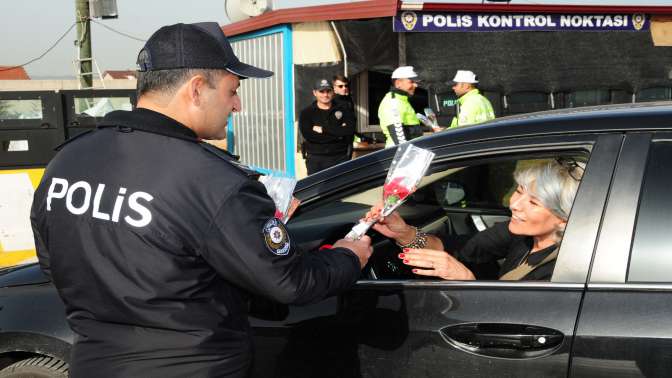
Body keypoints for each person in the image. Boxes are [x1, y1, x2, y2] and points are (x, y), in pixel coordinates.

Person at [30, 22, 372, 378]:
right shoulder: (214, 181)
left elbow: (54, 264)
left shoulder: (66, 162)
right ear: (196, 90)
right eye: (232, 91)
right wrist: (349, 255)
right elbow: (290, 282)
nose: (237, 105)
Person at [366, 159, 583, 281]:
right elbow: (459, 248)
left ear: (563, 219)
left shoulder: (565, 267)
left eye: (534, 203)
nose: (514, 204)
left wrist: (466, 281)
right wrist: (404, 233)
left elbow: (517, 324)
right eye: (518, 191)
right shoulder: (521, 236)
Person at [299, 78, 356, 174]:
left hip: (340, 158)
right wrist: (339, 133)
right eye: (321, 91)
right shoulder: (307, 113)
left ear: (333, 92)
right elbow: (309, 135)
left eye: (328, 91)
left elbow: (350, 130)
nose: (325, 95)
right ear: (314, 93)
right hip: (316, 159)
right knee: (318, 188)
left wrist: (323, 129)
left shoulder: (343, 109)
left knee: (341, 187)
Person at [377, 66, 423, 148]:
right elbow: (400, 140)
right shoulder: (393, 103)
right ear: (398, 83)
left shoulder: (402, 100)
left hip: (409, 152)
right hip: (401, 155)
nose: (416, 85)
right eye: (411, 82)